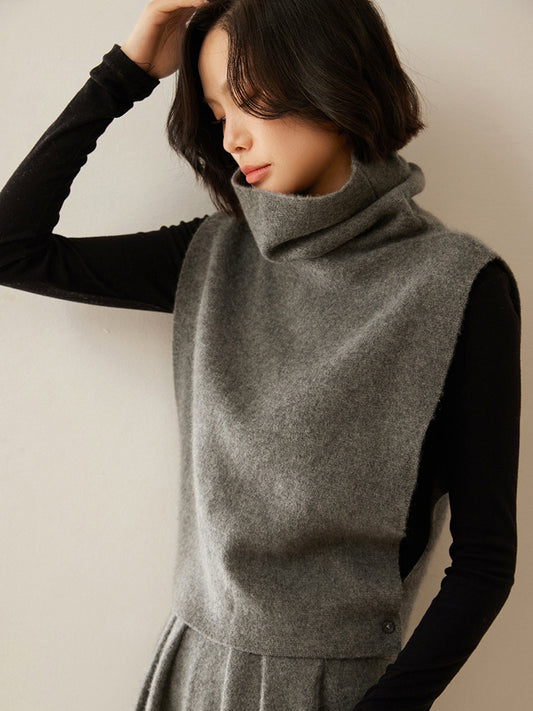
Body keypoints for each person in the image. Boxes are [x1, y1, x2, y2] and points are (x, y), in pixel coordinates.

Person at [0, 0, 521, 709]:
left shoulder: (456, 285)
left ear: (329, 77)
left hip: (334, 688)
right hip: (190, 671)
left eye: (248, 100)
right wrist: (125, 72)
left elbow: (484, 561)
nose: (233, 137)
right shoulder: (213, 256)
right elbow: (13, 247)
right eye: (217, 113)